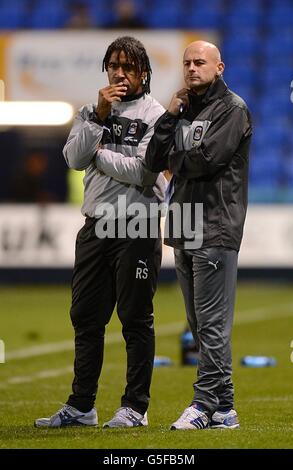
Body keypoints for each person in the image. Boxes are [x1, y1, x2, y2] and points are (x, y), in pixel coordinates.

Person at [35, 36, 166, 428]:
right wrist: (97, 117)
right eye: (113, 66)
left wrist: (99, 154)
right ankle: (81, 407)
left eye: (128, 67)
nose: (119, 73)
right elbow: (73, 158)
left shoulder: (156, 115)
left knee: (135, 318)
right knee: (86, 318)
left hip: (138, 224)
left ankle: (135, 407)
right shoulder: (91, 111)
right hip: (95, 226)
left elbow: (143, 172)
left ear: (143, 72)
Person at [145, 40, 252, 430]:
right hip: (183, 224)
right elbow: (153, 160)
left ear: (219, 67)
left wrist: (174, 153)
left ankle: (204, 404)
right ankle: (225, 410)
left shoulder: (233, 109)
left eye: (200, 62)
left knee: (211, 323)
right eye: (187, 62)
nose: (192, 68)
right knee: (198, 324)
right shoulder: (183, 108)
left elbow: (206, 160)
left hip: (215, 225)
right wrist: (170, 117)